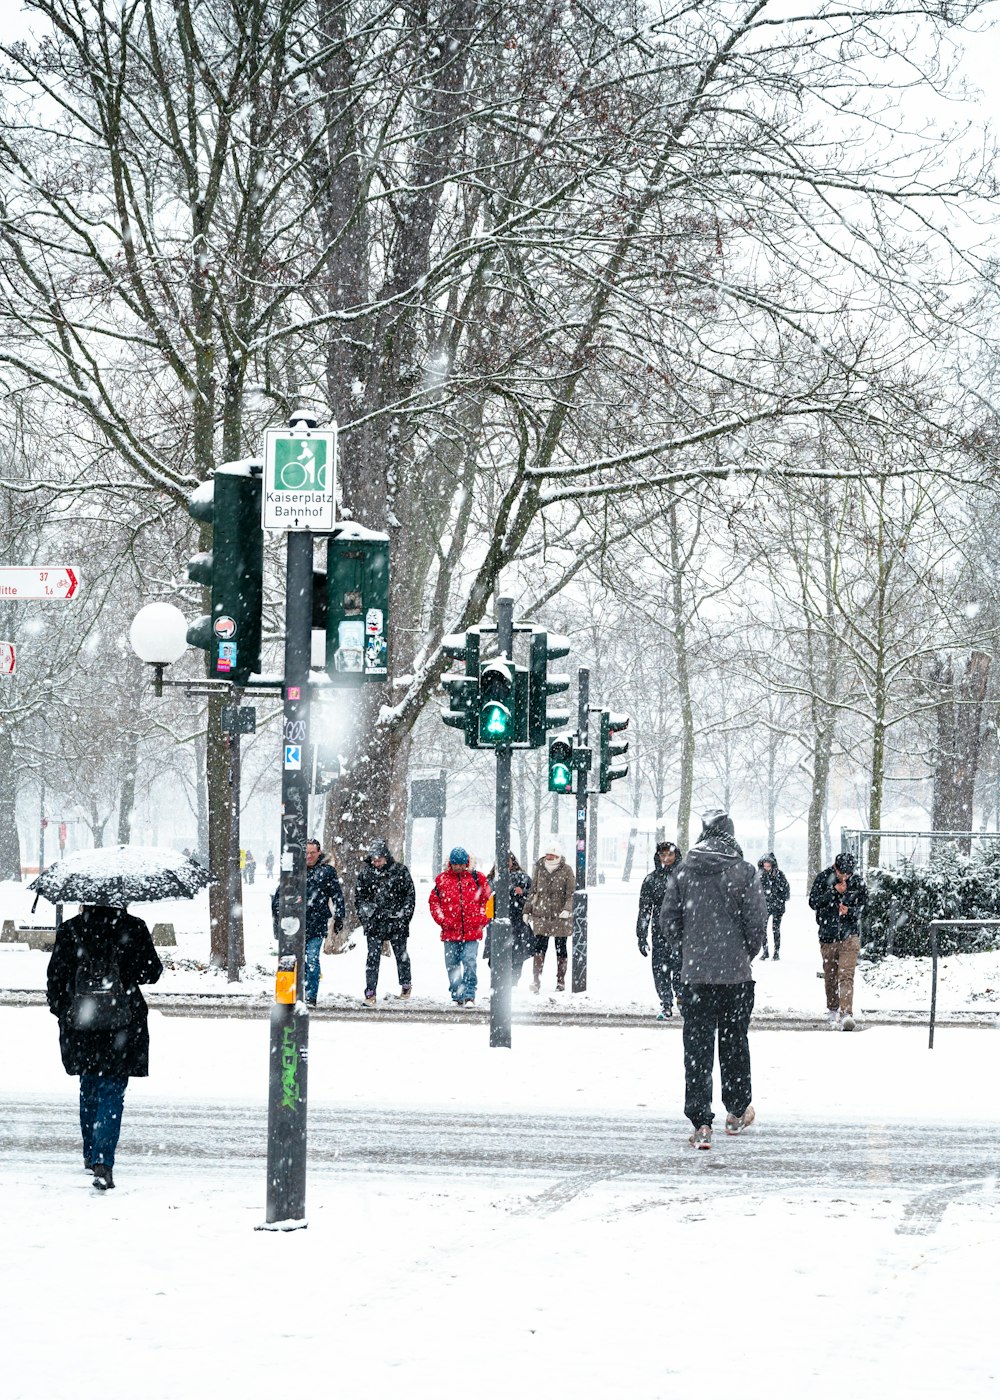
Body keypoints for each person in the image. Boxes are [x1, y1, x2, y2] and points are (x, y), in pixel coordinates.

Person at [660, 810, 766, 1150]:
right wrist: (743, 952)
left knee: (697, 1048)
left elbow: (669, 920)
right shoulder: (744, 872)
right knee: (735, 1043)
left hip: (696, 977)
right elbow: (756, 923)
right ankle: (735, 1112)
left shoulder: (684, 872)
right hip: (735, 977)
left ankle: (701, 1122)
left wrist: (689, 949)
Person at [45, 903, 163, 1191]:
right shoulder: (132, 927)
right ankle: (102, 1160)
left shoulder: (72, 928)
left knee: (89, 1086)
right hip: (121, 1024)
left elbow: (55, 977)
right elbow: (152, 972)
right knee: (112, 1089)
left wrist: (64, 1011)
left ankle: (91, 1152)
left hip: (83, 1023)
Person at [271, 838, 346, 1007]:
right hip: (294, 925)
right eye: (307, 853)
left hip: (317, 923)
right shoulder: (294, 871)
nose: (309, 856)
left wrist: (339, 916)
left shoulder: (327, 872)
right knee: (295, 960)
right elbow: (279, 894)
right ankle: (296, 993)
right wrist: (279, 914)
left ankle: (311, 996)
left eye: (313, 853)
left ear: (319, 853)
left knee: (312, 959)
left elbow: (337, 895)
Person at [808, 852, 868, 1031]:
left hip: (850, 935)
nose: (846, 877)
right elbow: (813, 902)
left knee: (846, 974)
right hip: (828, 935)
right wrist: (834, 892)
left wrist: (850, 911)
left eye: (849, 874)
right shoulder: (823, 878)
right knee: (831, 974)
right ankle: (833, 1009)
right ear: (836, 868)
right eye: (843, 873)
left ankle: (846, 1013)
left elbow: (866, 908)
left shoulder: (857, 882)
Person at [355, 837, 416, 1005]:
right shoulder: (366, 873)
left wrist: (404, 917)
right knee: (372, 958)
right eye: (374, 860)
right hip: (375, 921)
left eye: (379, 859)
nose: (376, 863)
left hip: (396, 921)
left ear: (386, 857)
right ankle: (370, 991)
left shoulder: (400, 871)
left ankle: (405, 984)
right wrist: (366, 918)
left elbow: (410, 896)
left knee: (401, 955)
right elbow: (359, 898)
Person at [428, 847, 492, 1005]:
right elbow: (434, 902)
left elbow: (488, 901)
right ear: (450, 863)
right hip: (450, 932)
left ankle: (469, 994)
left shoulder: (478, 878)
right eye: (455, 864)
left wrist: (481, 920)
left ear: (467, 863)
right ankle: (457, 994)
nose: (458, 867)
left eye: (461, 864)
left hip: (472, 931)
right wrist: (443, 921)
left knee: (470, 962)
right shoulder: (442, 880)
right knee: (452, 964)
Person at [636, 840, 683, 1018]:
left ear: (676, 856)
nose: (666, 858)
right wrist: (641, 935)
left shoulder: (684, 878)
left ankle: (681, 996)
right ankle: (666, 1001)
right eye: (663, 855)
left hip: (680, 929)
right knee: (661, 968)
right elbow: (644, 909)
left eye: (670, 854)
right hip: (660, 930)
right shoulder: (651, 880)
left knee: (680, 966)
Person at [524, 843, 575, 992]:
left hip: (560, 917)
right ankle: (536, 980)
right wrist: (527, 910)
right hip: (541, 915)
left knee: (561, 948)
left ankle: (560, 980)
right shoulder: (539, 869)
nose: (549, 857)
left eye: (552, 855)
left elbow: (570, 893)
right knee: (539, 948)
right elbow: (533, 892)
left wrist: (567, 909)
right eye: (547, 854)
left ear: (558, 856)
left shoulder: (566, 870)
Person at [484, 853, 534, 986]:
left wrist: (522, 894)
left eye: (508, 860)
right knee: (495, 953)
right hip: (496, 921)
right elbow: (484, 897)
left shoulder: (522, 877)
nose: (505, 863)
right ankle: (501, 979)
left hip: (517, 921)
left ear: (513, 861)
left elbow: (532, 896)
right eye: (501, 860)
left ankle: (513, 981)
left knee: (517, 953)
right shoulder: (492, 879)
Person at [757, 853, 790, 960]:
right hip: (764, 906)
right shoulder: (759, 875)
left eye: (768, 865)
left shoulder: (779, 875)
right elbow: (755, 891)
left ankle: (776, 951)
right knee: (763, 929)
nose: (766, 868)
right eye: (765, 865)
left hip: (777, 906)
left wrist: (779, 899)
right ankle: (765, 951)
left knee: (775, 929)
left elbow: (786, 890)